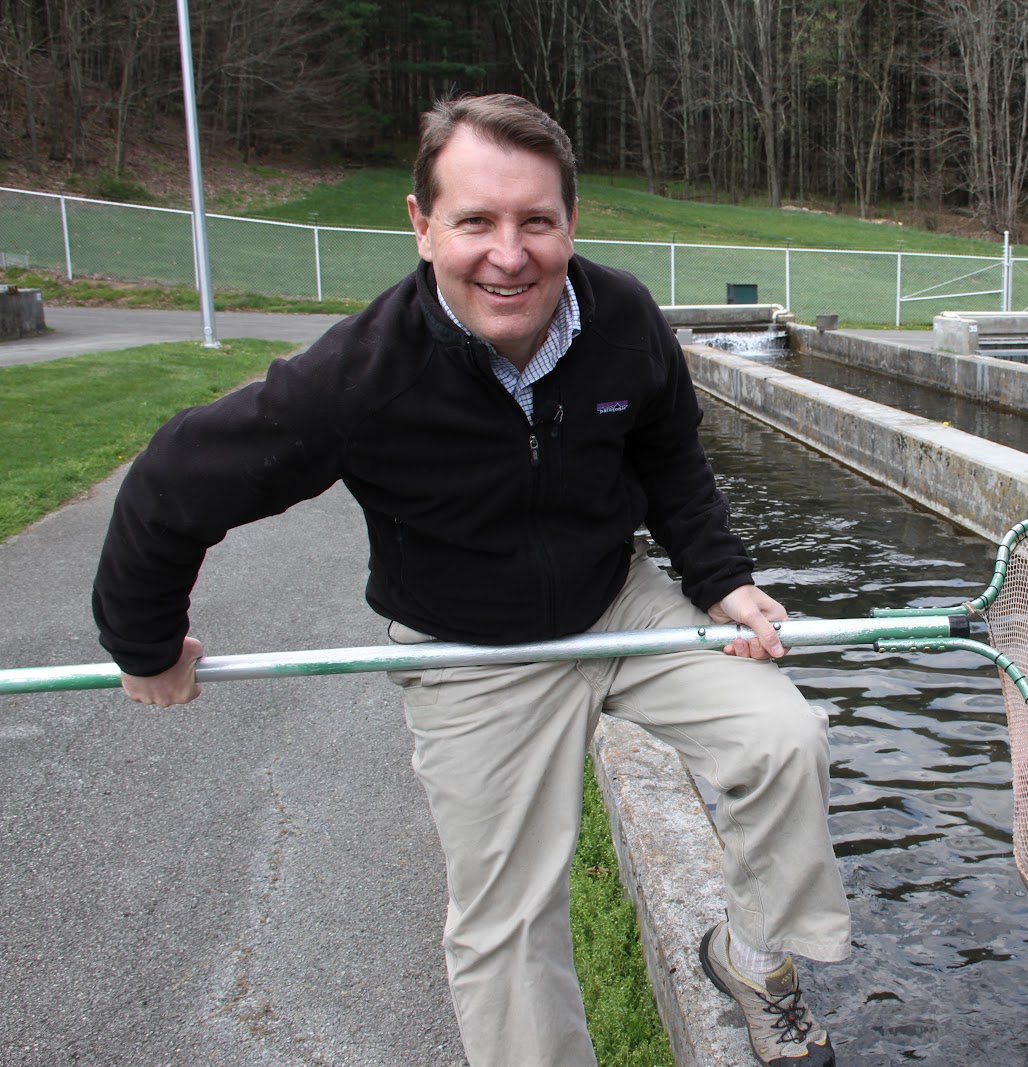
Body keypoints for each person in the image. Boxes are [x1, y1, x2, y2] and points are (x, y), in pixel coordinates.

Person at [90, 93, 848, 1067]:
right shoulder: (361, 376)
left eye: (536, 221)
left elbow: (669, 454)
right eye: (476, 221)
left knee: (784, 739)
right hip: (468, 648)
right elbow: (172, 482)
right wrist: (145, 643)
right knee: (507, 923)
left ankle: (747, 956)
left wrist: (722, 580)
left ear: (571, 222)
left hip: (615, 603)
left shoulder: (622, 316)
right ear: (422, 225)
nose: (509, 253)